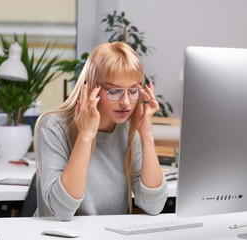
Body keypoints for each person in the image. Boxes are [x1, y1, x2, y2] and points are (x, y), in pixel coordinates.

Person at [34, 42, 168, 221]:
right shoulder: (53, 126)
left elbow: (154, 205)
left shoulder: (128, 130)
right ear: (91, 88)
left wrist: (147, 136)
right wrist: (86, 136)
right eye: (114, 91)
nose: (126, 102)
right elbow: (62, 211)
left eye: (134, 91)